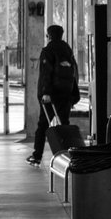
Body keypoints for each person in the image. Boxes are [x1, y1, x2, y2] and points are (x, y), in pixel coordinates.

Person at [27, 24, 80, 165]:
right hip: (66, 94)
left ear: (49, 36)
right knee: (64, 125)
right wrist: (74, 93)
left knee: (43, 125)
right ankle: (69, 156)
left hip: (52, 96)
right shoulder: (67, 49)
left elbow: (46, 73)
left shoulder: (48, 50)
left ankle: (37, 155)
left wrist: (45, 93)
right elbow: (74, 72)